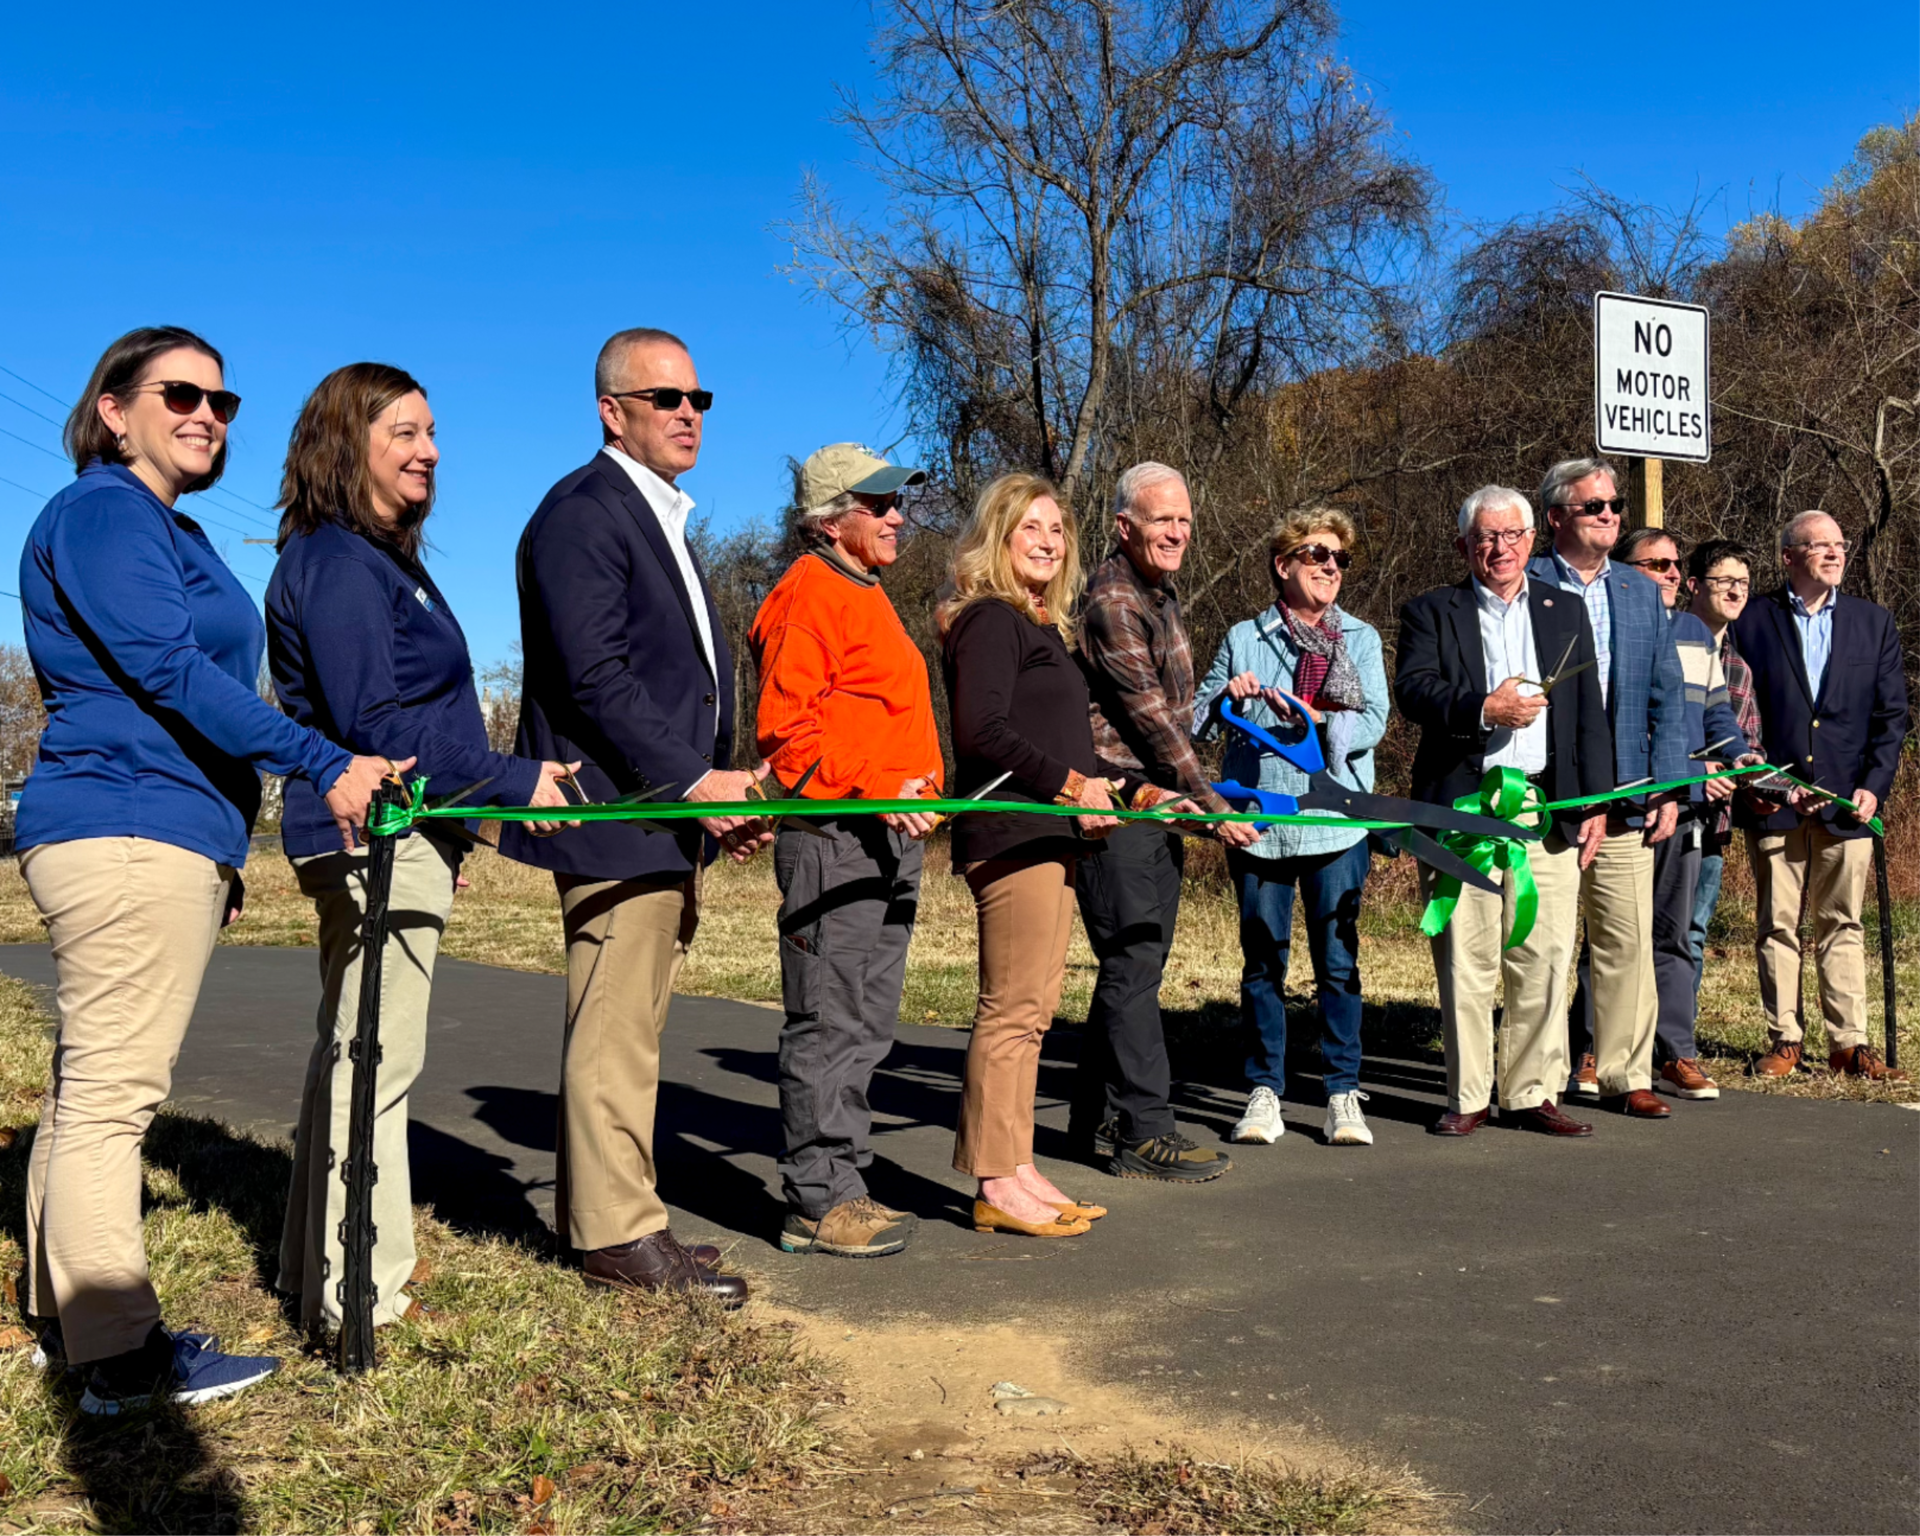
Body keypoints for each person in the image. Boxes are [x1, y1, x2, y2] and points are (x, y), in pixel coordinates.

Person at [16, 326, 393, 1413]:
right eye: (179, 392)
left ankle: (64, 1321)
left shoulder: (156, 525)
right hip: (127, 823)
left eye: (224, 402)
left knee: (88, 1086)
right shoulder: (105, 510)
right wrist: (324, 761)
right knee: (113, 1098)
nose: (206, 414)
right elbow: (169, 669)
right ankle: (120, 1358)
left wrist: (221, 847)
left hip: (154, 831)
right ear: (113, 408)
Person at [266, 363, 579, 1336]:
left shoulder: (381, 562)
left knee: (352, 1053)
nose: (429, 450)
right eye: (403, 431)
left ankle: (313, 1269)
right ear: (341, 442)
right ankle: (363, 1290)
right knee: (376, 1063)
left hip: (407, 832)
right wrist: (509, 778)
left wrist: (460, 819)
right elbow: (376, 722)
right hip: (371, 835)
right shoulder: (337, 561)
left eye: (432, 432)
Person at [505, 326, 764, 1303]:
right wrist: (692, 780)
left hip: (659, 817)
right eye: (667, 398)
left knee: (637, 1026)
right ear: (612, 411)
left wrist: (709, 797)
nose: (689, 413)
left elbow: (673, 683)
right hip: (610, 814)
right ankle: (614, 1237)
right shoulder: (582, 513)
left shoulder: (661, 521)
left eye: (699, 398)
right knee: (613, 1025)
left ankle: (628, 1216)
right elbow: (596, 676)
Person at [751, 443, 946, 1257]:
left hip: (888, 840)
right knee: (827, 1019)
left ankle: (848, 1181)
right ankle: (816, 1198)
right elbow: (788, 740)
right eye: (880, 505)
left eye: (898, 503)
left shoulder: (868, 596)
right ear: (833, 520)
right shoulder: (810, 594)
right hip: (835, 838)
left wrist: (918, 787)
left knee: (867, 1020)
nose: (898, 516)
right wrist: (880, 786)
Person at [938, 472, 1138, 1238]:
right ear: (999, 536)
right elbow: (981, 731)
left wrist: (1128, 788)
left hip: (1051, 835)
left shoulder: (1041, 626)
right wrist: (1070, 784)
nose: (1049, 542)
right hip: (1013, 835)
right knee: (1011, 1011)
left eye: (1057, 529)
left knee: (1035, 1013)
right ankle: (993, 1179)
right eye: (1031, 528)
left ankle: (1017, 1165)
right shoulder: (990, 620)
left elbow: (1064, 743)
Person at [1395, 486, 1611, 1137]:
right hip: (1466, 809)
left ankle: (1531, 1091)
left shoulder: (1565, 610)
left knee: (1543, 957)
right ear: (1465, 545)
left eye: (1513, 535)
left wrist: (1596, 801)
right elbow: (1415, 690)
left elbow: (1589, 715)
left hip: (1547, 811)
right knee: (1468, 957)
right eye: (1486, 537)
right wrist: (1483, 710)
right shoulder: (1432, 610)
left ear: (1530, 541)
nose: (1501, 548)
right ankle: (1468, 1095)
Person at [1073, 462, 1247, 1183]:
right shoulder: (1115, 600)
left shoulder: (1160, 594)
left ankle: (1095, 1119)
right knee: (1133, 965)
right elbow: (1149, 720)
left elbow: (1174, 713)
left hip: (1157, 804)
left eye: (1183, 519)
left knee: (1133, 966)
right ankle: (1145, 1133)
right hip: (1122, 807)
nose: (1177, 531)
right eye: (1161, 520)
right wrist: (1211, 806)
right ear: (1124, 527)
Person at [1194, 508, 1388, 1148]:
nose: (1330, 566)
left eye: (1338, 557)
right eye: (1316, 554)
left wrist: (1316, 720)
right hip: (1261, 824)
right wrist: (1231, 700)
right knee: (1262, 962)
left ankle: (1341, 1092)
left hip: (1336, 824)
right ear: (1284, 565)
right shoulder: (1243, 637)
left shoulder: (1357, 638)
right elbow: (1196, 717)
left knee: (1338, 962)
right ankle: (1264, 1091)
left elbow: (1376, 721)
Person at [1527, 459, 1687, 1119]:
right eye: (1596, 507)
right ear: (1557, 515)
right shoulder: (1524, 580)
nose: (1612, 516)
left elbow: (1667, 694)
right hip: (1550, 797)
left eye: (1616, 506)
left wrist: (1671, 787)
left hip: (1629, 793)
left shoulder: (1639, 589)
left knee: (1627, 940)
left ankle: (1628, 1073)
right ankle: (1537, 1079)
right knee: (1544, 942)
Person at [1734, 510, 1909, 1081]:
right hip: (1775, 801)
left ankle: (1847, 1044)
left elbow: (1891, 718)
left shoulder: (1872, 622)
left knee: (1842, 923)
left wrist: (1873, 788)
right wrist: (1760, 785)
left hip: (1847, 806)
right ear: (1788, 556)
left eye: (1839, 545)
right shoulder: (1752, 619)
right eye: (1819, 546)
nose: (1834, 554)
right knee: (1777, 924)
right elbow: (1736, 711)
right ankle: (1784, 1037)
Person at [1611, 527, 1755, 1102]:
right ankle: (1596, 1048)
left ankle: (1676, 1053)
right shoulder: (1613, 627)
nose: (1673, 574)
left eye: (1675, 566)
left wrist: (1735, 753)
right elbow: (1633, 728)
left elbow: (1717, 715)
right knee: (1614, 938)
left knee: (1673, 935)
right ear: (1626, 572)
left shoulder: (1695, 631)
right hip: (1627, 806)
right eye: (1658, 565)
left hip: (1686, 813)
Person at [1680, 539, 1765, 996]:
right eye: (1724, 581)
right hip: (1654, 813)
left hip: (1712, 825)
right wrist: (1698, 771)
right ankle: (1598, 1043)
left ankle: (1676, 1047)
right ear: (1693, 586)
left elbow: (1747, 744)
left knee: (1693, 932)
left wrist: (1760, 780)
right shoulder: (1663, 645)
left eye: (1744, 583)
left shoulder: (1737, 667)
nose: (1736, 592)